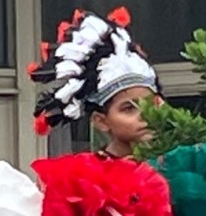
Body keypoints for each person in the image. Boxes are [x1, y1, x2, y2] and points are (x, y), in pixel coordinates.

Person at [30, 9, 160, 159]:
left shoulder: (176, 162)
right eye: (129, 108)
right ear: (101, 121)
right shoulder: (84, 175)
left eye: (151, 104)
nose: (144, 115)